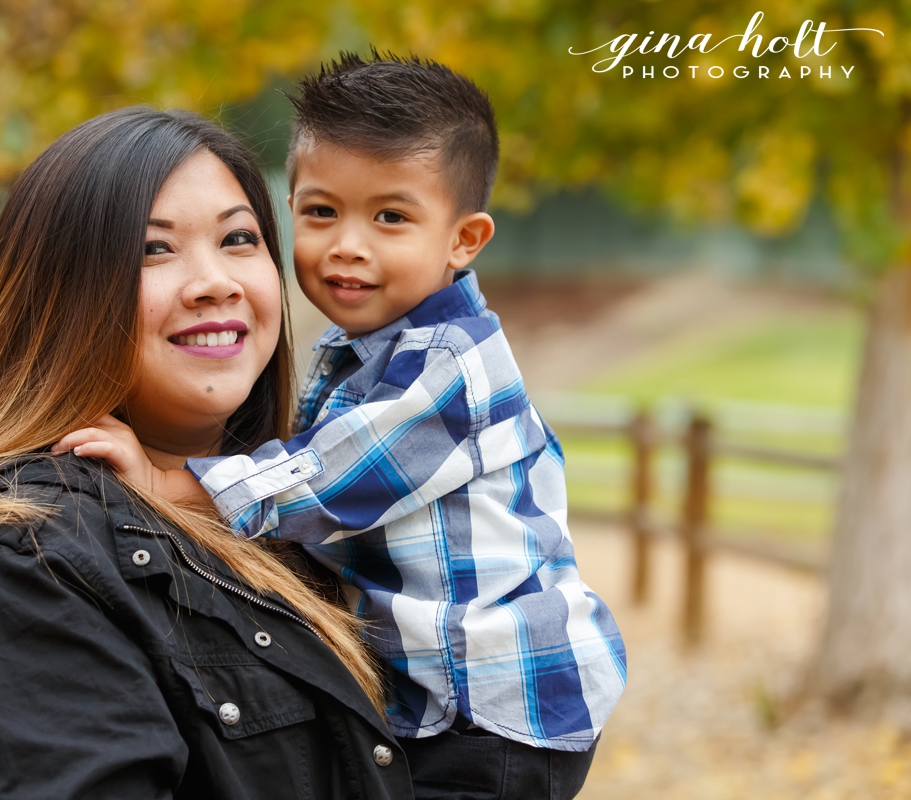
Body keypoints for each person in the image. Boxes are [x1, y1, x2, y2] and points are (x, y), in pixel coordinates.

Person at [56, 53, 627, 799]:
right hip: (444, 703)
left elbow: (329, 478)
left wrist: (168, 484)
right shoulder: (359, 354)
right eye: (322, 212)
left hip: (496, 713)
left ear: (464, 239)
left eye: (390, 217)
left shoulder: (451, 365)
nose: (348, 245)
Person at [0, 106, 418, 800]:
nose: (216, 281)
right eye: (154, 249)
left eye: (240, 239)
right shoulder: (19, 555)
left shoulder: (306, 528)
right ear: (59, 298)